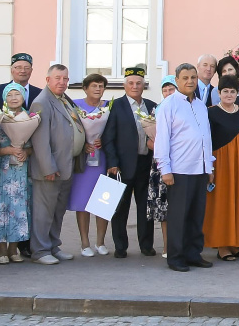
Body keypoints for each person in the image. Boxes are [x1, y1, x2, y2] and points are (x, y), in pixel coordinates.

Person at [155, 63, 216, 272]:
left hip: (200, 169)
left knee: (196, 215)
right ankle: (176, 257)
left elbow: (205, 138)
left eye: (193, 77)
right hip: (179, 170)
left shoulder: (200, 105)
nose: (190, 81)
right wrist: (165, 170)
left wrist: (209, 167)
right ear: (177, 80)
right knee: (178, 217)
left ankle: (193, 253)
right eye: (185, 78)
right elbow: (162, 139)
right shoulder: (168, 105)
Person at [27, 65, 82, 265]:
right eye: (58, 78)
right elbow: (40, 140)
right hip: (50, 169)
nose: (62, 82)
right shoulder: (42, 102)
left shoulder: (64, 99)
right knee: (44, 212)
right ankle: (40, 251)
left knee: (57, 211)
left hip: (66, 165)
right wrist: (47, 167)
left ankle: (53, 245)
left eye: (65, 78)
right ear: (48, 79)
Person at [102, 66, 157, 258]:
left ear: (144, 85)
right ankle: (120, 246)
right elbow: (108, 137)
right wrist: (112, 162)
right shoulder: (115, 106)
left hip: (146, 164)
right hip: (123, 165)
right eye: (131, 83)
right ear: (125, 86)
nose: (135, 86)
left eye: (139, 83)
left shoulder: (152, 106)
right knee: (121, 207)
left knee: (145, 207)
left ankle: (146, 245)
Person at [203, 74, 239, 261]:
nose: (229, 95)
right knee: (222, 203)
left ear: (238, 92)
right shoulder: (210, 113)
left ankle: (237, 242)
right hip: (221, 164)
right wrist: (209, 168)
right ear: (218, 93)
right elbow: (206, 143)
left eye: (232, 91)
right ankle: (222, 246)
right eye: (225, 91)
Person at [0, 82, 33, 264]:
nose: (14, 98)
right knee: (1, 208)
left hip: (21, 170)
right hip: (2, 171)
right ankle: (1, 250)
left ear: (23, 97)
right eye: (10, 95)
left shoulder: (29, 118)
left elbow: (32, 146)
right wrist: (9, 151)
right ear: (4, 98)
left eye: (17, 95)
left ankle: (14, 249)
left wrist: (25, 151)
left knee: (18, 209)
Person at [66, 73, 110, 256]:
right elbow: (70, 131)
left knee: (103, 201)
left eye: (101, 86)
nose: (98, 89)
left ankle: (100, 242)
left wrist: (104, 141)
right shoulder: (75, 106)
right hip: (83, 160)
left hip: (103, 159)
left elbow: (113, 131)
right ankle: (85, 243)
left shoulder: (109, 106)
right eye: (94, 86)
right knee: (82, 201)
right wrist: (83, 143)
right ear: (85, 88)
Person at [144, 78, 176, 255]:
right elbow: (149, 143)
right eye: (165, 90)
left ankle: (179, 245)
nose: (168, 93)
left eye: (172, 89)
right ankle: (166, 246)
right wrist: (161, 144)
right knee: (164, 210)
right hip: (161, 166)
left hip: (181, 164)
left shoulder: (183, 109)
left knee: (179, 208)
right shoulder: (155, 111)